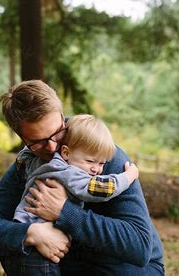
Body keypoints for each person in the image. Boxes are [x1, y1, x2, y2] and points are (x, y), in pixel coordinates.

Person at [0, 80, 164, 275]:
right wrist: (31, 233)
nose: (51, 147)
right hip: (70, 260)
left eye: (56, 133)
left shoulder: (100, 155)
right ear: (22, 138)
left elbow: (140, 246)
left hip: (125, 267)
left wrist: (64, 212)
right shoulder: (30, 161)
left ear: (63, 118)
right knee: (19, 244)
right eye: (37, 142)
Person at [13, 114, 140, 274]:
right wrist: (129, 176)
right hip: (40, 238)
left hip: (24, 226)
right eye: (90, 161)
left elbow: (25, 159)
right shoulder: (70, 173)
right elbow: (101, 189)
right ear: (66, 153)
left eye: (102, 163)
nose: (97, 169)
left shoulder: (47, 164)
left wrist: (24, 156)